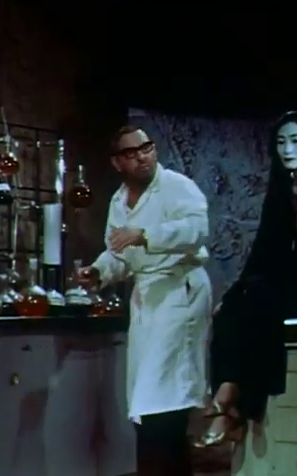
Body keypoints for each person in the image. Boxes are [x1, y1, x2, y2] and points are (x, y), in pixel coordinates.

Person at [195, 110, 297, 448]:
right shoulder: (284, 187)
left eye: (296, 141)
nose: (287, 149)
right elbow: (263, 249)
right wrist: (233, 294)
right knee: (233, 307)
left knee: (259, 298)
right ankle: (226, 394)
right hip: (285, 287)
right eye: (281, 142)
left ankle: (237, 404)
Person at [78, 125, 212, 475]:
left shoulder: (177, 187)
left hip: (178, 292)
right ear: (117, 162)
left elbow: (197, 229)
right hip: (148, 301)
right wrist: (98, 271)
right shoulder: (119, 201)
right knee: (147, 400)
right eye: (132, 152)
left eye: (147, 148)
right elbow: (118, 253)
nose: (142, 156)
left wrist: (147, 235)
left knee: (164, 398)